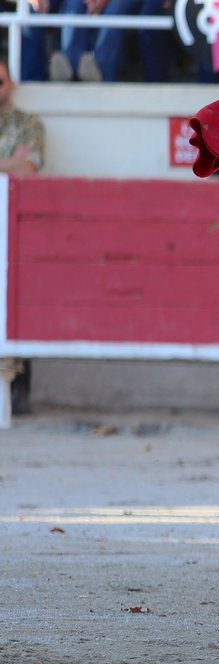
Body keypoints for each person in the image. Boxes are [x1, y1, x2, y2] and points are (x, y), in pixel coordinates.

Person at [0, 58, 47, 415]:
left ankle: (18, 388)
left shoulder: (27, 124)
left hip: (14, 233)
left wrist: (16, 165)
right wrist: (7, 163)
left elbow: (27, 172)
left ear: (11, 84)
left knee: (16, 307)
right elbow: (15, 166)